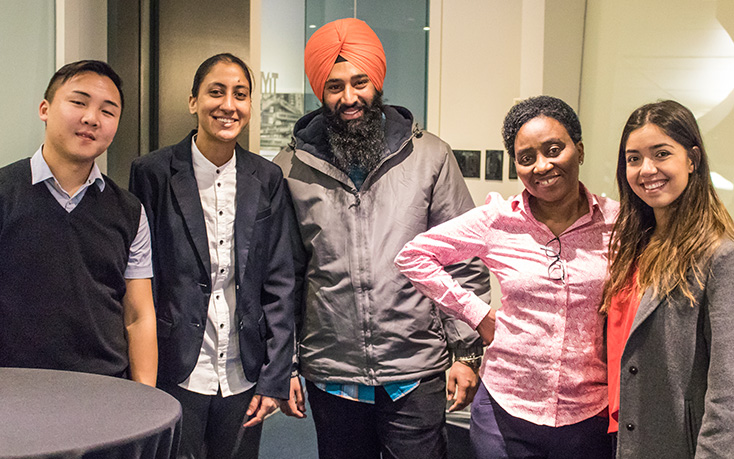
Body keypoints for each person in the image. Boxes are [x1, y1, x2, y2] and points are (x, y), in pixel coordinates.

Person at [273, 18, 489, 459]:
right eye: (334, 86)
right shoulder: (288, 168)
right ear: (320, 91)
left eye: (359, 82)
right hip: (332, 372)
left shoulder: (430, 156)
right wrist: (287, 365)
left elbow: (462, 260)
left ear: (378, 82)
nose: (349, 98)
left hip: (415, 370)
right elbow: (284, 279)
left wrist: (468, 352)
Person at [396, 95, 617, 458]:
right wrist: (476, 314)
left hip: (588, 413)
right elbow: (415, 256)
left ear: (579, 150)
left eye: (554, 149)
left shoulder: (618, 224)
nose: (542, 166)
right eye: (526, 158)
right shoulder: (497, 221)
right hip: (505, 410)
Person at [129, 53, 295, 459]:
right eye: (215, 92)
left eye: (240, 94)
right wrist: (139, 378)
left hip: (243, 372)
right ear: (193, 101)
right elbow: (138, 277)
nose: (228, 105)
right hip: (175, 367)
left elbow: (280, 279)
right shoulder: (152, 173)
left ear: (250, 106)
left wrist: (275, 377)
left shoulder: (267, 177)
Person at [0, 60, 157, 386]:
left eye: (108, 111)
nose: (91, 118)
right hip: (14, 390)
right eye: (78, 102)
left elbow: (138, 316)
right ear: (45, 108)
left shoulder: (129, 211)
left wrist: (146, 402)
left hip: (104, 388)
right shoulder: (5, 192)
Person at [601, 100, 734, 458]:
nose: (646, 169)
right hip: (626, 436)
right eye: (633, 158)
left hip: (680, 444)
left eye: (661, 154)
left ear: (692, 159)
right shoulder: (634, 245)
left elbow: (729, 384)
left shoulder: (720, 255)